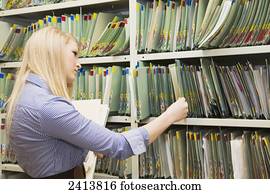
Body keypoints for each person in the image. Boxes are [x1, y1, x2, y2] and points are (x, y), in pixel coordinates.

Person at [6, 26, 188, 178]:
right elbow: (120, 146)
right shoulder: (49, 107)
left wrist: (87, 144)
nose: (79, 63)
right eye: (74, 54)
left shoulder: (25, 94)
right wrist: (171, 115)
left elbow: (49, 144)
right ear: (53, 54)